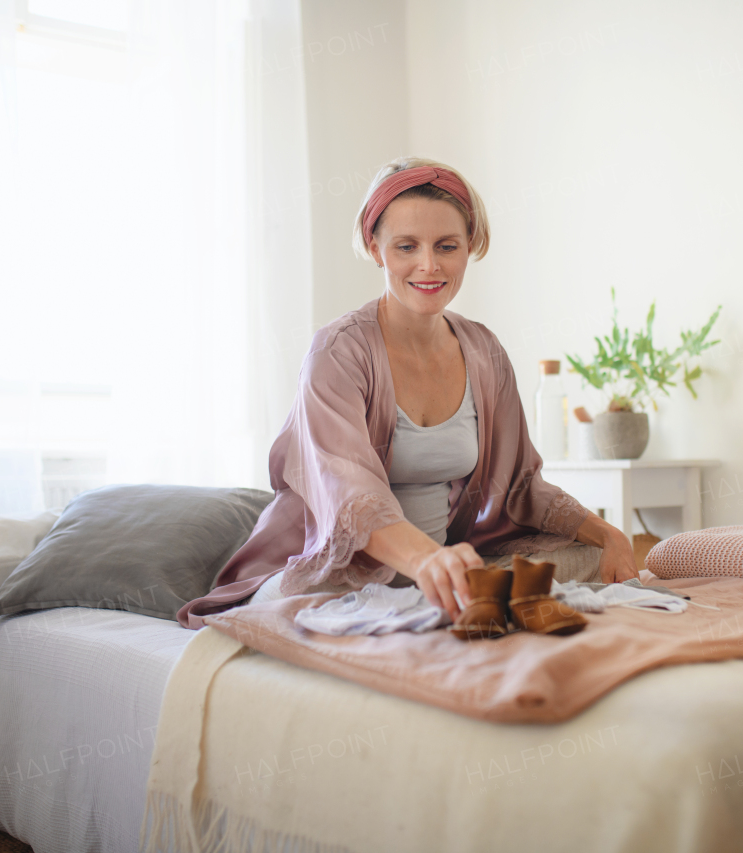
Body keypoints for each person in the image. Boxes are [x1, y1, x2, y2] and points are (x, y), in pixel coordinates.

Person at [177, 157, 636, 629]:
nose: (429, 265)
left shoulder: (484, 351)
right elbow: (349, 497)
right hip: (337, 572)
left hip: (432, 573)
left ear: (470, 246)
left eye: (447, 246)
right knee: (304, 604)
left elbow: (521, 485)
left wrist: (607, 533)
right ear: (376, 248)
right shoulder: (337, 352)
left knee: (581, 557)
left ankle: (430, 600)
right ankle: (419, 600)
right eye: (406, 246)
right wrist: (424, 563)